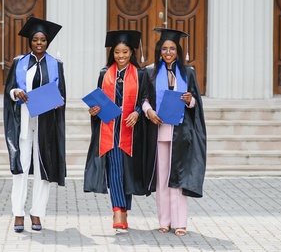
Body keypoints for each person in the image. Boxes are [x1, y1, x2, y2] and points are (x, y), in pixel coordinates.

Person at [83, 29, 152, 230]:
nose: (120, 56)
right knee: (114, 170)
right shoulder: (104, 74)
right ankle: (118, 212)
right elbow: (98, 100)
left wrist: (138, 112)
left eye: (125, 52)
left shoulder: (140, 74)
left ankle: (124, 210)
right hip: (110, 129)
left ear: (131, 53)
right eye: (116, 52)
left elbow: (145, 98)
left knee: (126, 172)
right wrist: (94, 110)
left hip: (131, 131)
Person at [3, 17, 66, 233]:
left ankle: (37, 212)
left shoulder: (56, 65)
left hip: (46, 121)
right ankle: (18, 213)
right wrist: (15, 92)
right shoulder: (19, 62)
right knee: (21, 166)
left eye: (43, 40)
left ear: (47, 42)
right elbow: (9, 90)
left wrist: (59, 102)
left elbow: (61, 93)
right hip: (23, 118)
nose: (39, 43)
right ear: (30, 41)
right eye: (35, 39)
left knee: (42, 168)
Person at [143, 27, 207, 236]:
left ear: (178, 51)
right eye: (164, 48)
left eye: (172, 48)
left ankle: (180, 222)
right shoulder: (150, 73)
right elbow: (142, 99)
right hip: (159, 130)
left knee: (178, 177)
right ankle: (164, 220)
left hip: (181, 131)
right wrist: (149, 111)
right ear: (159, 50)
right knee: (162, 178)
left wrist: (190, 100)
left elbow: (196, 102)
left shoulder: (188, 73)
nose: (168, 52)